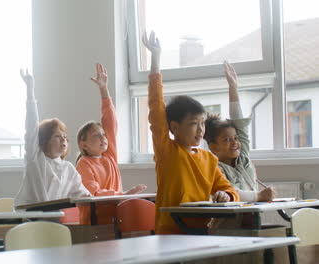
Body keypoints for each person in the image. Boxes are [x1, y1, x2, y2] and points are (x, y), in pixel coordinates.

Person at [142, 31, 239, 234]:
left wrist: (225, 195)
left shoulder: (209, 159)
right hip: (171, 230)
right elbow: (156, 108)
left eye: (203, 123)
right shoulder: (167, 150)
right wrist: (156, 59)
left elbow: (229, 190)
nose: (201, 129)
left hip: (202, 230)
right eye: (194, 123)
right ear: (175, 127)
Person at [76, 63, 147, 224]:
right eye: (96, 136)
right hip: (95, 223)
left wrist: (103, 89)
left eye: (103, 135)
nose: (103, 138)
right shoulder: (83, 164)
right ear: (84, 144)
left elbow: (110, 120)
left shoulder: (109, 155)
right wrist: (124, 194)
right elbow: (94, 194)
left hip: (115, 218)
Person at [15, 69, 91, 206]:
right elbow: (31, 128)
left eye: (65, 137)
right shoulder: (36, 160)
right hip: (31, 219)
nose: (63, 140)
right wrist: (30, 92)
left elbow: (82, 193)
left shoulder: (68, 168)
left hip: (56, 219)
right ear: (44, 140)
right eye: (57, 136)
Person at [204, 61, 275, 202]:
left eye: (235, 138)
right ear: (213, 146)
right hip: (229, 223)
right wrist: (258, 196)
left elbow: (239, 123)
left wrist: (233, 87)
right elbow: (229, 192)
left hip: (251, 218)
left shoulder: (242, 158)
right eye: (227, 140)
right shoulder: (215, 169)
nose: (235, 143)